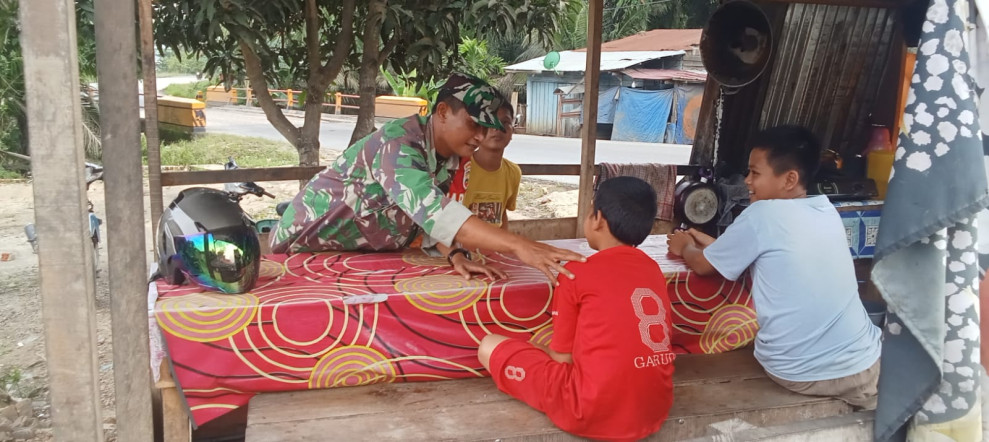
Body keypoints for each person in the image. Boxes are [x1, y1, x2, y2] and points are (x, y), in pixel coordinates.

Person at [271, 73, 583, 283]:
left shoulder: (448, 157)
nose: (481, 136)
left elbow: (430, 220)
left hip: (352, 255)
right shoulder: (399, 145)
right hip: (301, 250)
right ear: (443, 111)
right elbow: (436, 212)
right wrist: (519, 246)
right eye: (474, 124)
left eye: (486, 127)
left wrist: (455, 254)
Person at [667, 125, 881, 409]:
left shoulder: (762, 214)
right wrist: (708, 243)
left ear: (789, 179)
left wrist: (684, 246)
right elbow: (741, 252)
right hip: (866, 361)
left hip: (802, 372)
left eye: (755, 173)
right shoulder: (825, 210)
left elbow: (704, 266)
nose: (746, 181)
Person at [478, 177, 676, 441]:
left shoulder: (575, 272)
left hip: (587, 409)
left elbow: (562, 359)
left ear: (598, 219)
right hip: (654, 408)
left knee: (488, 346)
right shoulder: (653, 270)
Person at [446, 100, 521, 229]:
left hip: (491, 247)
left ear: (512, 131)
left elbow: (502, 213)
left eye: (505, 122)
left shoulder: (513, 172)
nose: (497, 128)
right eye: (489, 122)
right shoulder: (457, 166)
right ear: (478, 129)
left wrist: (503, 247)